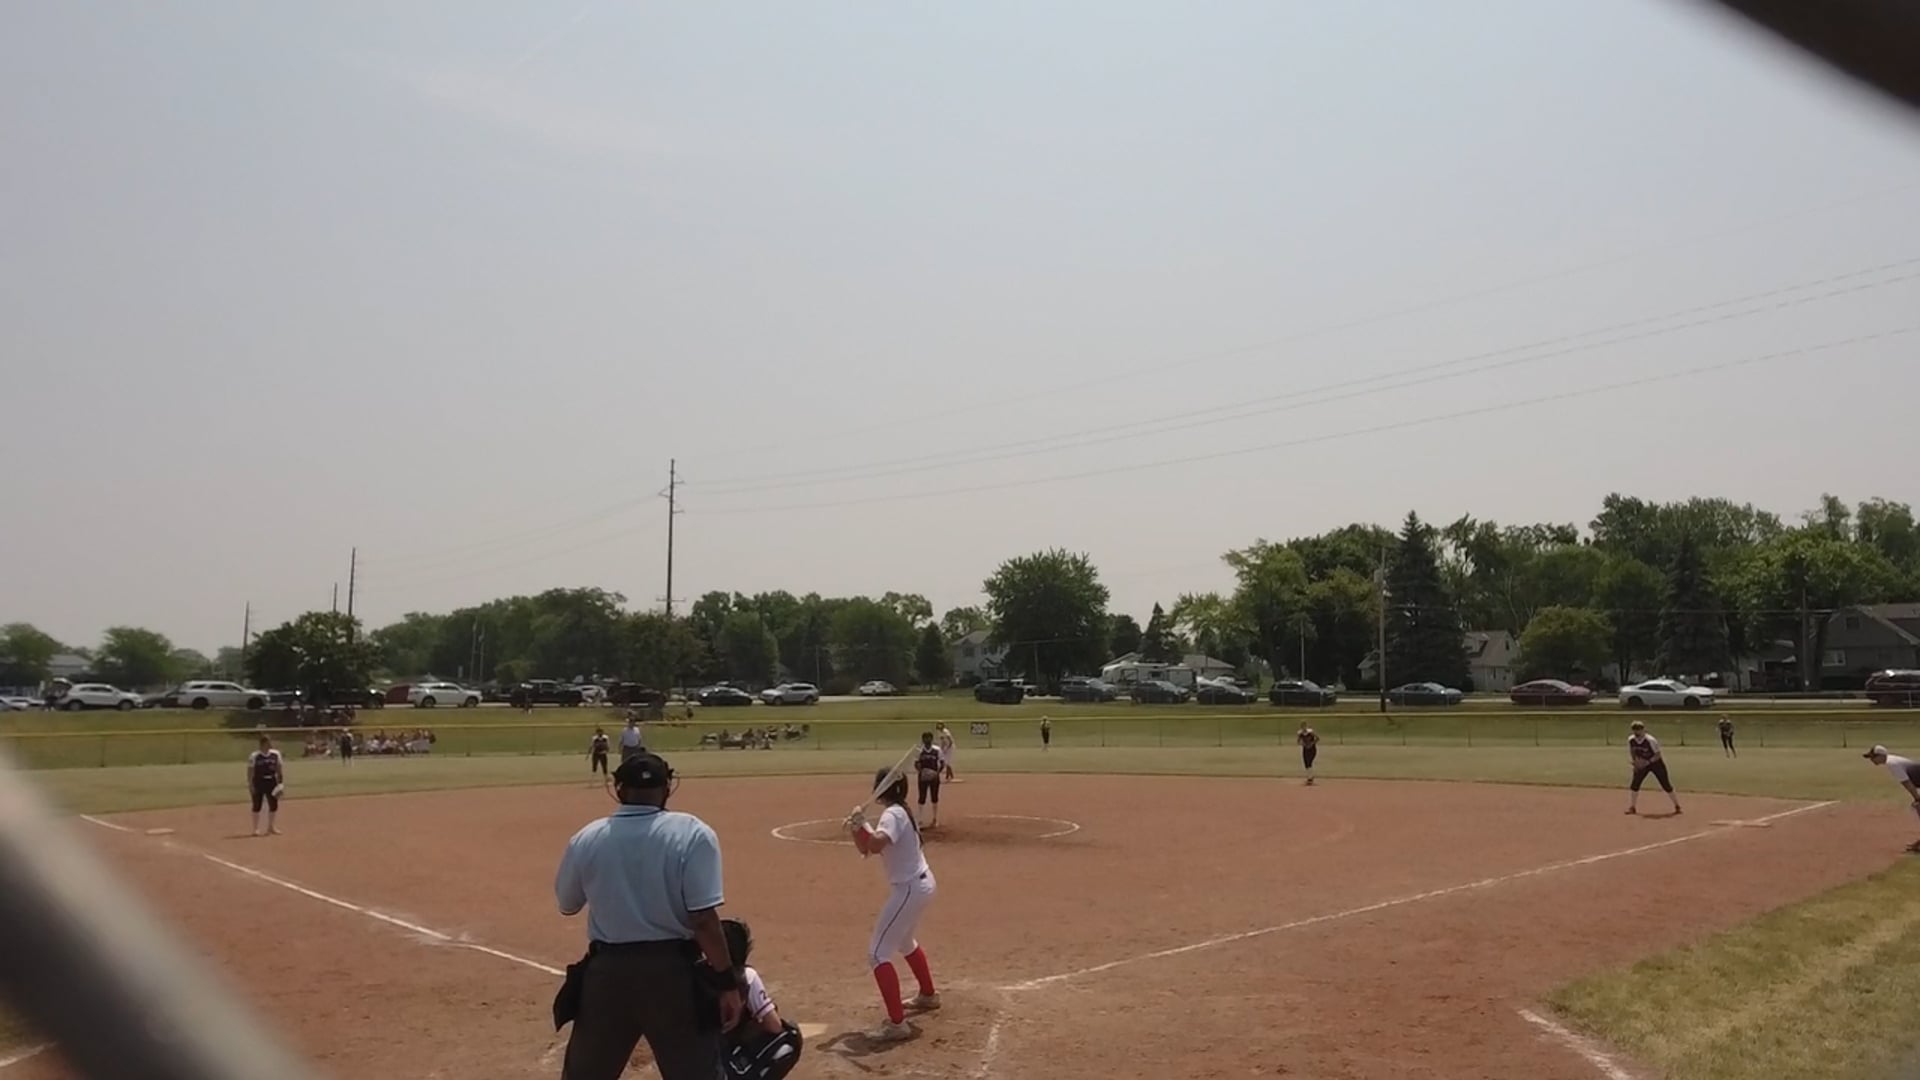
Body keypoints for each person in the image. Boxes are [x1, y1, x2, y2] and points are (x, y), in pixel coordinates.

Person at [554, 751, 744, 1080]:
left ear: (618, 789)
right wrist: (727, 983)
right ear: (667, 787)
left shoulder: (587, 838)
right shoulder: (693, 832)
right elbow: (703, 919)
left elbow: (567, 904)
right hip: (673, 975)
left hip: (608, 974)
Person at [844, 767, 940, 1042]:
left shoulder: (894, 814)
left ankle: (897, 1025)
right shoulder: (899, 812)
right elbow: (866, 848)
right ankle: (928, 995)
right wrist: (857, 826)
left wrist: (861, 822)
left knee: (877, 954)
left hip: (910, 888)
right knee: (905, 942)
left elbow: (875, 844)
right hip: (919, 885)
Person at [722, 918, 804, 1080]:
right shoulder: (746, 977)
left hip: (685, 1062)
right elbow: (774, 1026)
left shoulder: (692, 975)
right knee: (789, 1036)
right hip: (722, 1064)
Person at [1861, 745, 1920, 850]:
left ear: (1881, 756)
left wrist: (1917, 799)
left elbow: (1907, 783)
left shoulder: (1892, 764)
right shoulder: (1892, 760)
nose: (1872, 760)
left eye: (1873, 757)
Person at [1625, 720, 1681, 816]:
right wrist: (1635, 762)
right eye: (1635, 730)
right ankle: (1632, 807)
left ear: (1643, 730)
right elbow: (1632, 751)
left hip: (1656, 764)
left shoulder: (1650, 740)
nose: (1637, 732)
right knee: (1635, 784)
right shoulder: (1631, 739)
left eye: (1639, 729)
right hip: (1642, 764)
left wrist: (1648, 762)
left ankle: (1677, 805)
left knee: (1666, 785)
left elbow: (1658, 754)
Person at [247, 735, 285, 837]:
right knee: (257, 805)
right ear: (262, 744)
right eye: (268, 743)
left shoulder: (275, 754)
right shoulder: (254, 756)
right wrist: (250, 784)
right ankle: (256, 829)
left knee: (273, 804)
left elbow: (279, 768)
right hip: (258, 781)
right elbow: (250, 771)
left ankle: (271, 827)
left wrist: (280, 783)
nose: (270, 744)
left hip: (272, 781)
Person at [914, 732, 944, 828]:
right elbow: (916, 763)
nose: (927, 740)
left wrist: (936, 773)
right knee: (921, 797)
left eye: (929, 738)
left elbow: (942, 763)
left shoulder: (937, 750)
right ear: (923, 740)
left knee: (934, 797)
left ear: (931, 739)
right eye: (925, 738)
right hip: (922, 778)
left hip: (934, 778)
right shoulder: (919, 751)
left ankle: (935, 819)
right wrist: (921, 772)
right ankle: (920, 820)